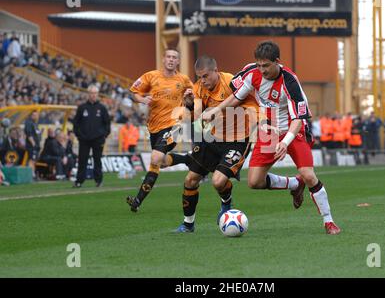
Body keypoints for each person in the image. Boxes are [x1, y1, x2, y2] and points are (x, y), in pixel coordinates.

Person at [203, 40, 340, 235]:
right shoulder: (253, 74)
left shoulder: (290, 82)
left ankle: (329, 221)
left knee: (309, 175)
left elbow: (298, 119)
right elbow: (237, 97)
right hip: (269, 131)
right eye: (259, 65)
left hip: (294, 131)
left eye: (266, 66)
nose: (262, 70)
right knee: (255, 182)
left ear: (277, 61)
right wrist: (215, 111)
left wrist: (285, 142)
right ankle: (294, 184)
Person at [175, 55, 285, 232]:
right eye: (199, 77)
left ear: (215, 71)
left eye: (205, 76)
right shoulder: (197, 89)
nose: (202, 81)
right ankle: (188, 224)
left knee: (218, 182)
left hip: (238, 140)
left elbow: (253, 102)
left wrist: (262, 124)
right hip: (212, 137)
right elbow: (196, 116)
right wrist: (188, 105)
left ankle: (226, 203)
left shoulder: (232, 82)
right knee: (190, 179)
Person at [126, 48, 194, 212]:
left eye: (174, 57)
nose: (171, 60)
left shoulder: (184, 80)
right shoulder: (151, 76)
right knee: (160, 163)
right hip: (154, 127)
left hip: (175, 125)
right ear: (163, 59)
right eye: (168, 57)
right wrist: (143, 99)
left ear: (178, 61)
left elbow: (195, 99)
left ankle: (137, 201)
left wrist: (190, 99)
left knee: (155, 158)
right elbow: (133, 92)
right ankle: (187, 160)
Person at [72, 85, 111, 187]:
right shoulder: (82, 108)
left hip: (98, 139)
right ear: (88, 94)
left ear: (97, 95)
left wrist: (104, 136)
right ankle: (79, 181)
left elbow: (107, 123)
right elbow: (76, 123)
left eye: (95, 93)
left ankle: (98, 181)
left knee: (97, 160)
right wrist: (79, 135)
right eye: (91, 93)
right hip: (84, 140)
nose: (93, 95)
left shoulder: (102, 108)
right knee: (82, 160)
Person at [24, 110, 42, 178]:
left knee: (34, 160)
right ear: (31, 116)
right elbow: (29, 135)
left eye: (37, 115)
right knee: (31, 159)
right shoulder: (29, 123)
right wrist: (33, 144)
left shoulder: (35, 124)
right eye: (34, 115)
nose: (36, 116)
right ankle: (30, 174)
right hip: (32, 146)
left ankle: (33, 173)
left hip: (36, 146)